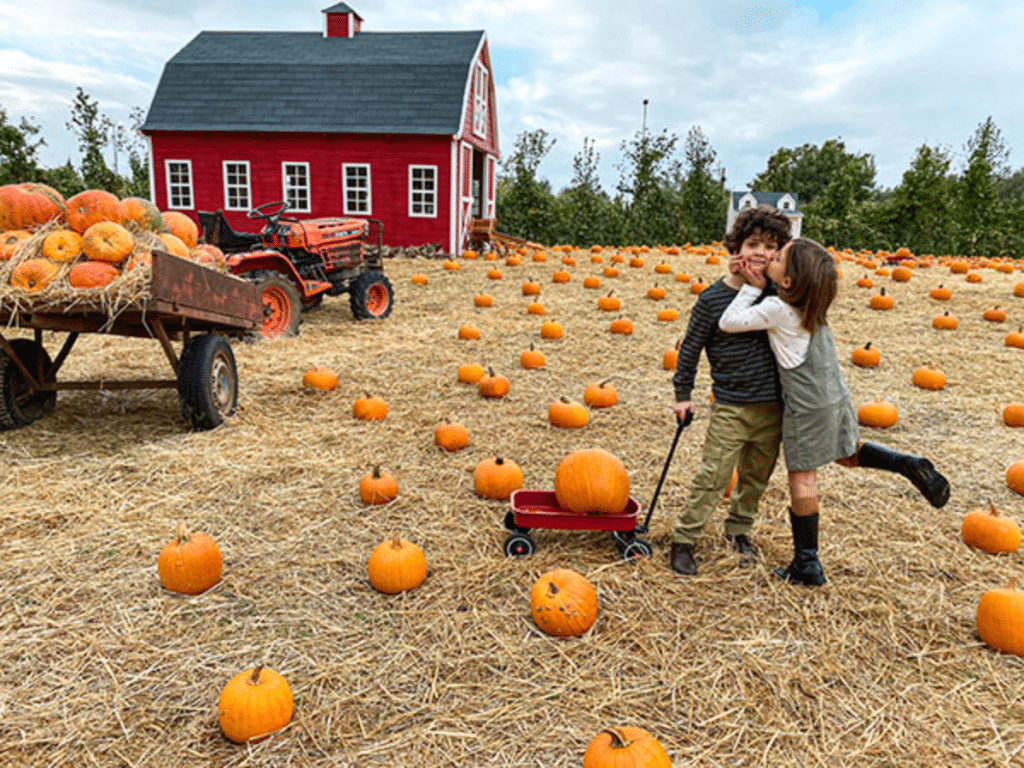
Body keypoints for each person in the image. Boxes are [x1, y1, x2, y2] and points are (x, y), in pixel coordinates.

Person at [719, 237, 950, 586]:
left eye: (778, 256)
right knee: (846, 454)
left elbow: (729, 322)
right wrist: (767, 280)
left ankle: (807, 564)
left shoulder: (778, 310)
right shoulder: (813, 304)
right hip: (835, 395)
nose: (772, 255)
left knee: (803, 480)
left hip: (807, 406)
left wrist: (751, 288)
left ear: (788, 282)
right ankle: (905, 463)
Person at [669, 205, 792, 576]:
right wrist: (683, 394)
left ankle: (739, 531)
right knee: (714, 476)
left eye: (770, 246)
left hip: (773, 407)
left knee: (756, 477)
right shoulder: (711, 300)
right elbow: (689, 349)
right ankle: (684, 538)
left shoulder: (780, 296)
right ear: (735, 248)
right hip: (731, 406)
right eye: (752, 243)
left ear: (779, 254)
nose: (759, 252)